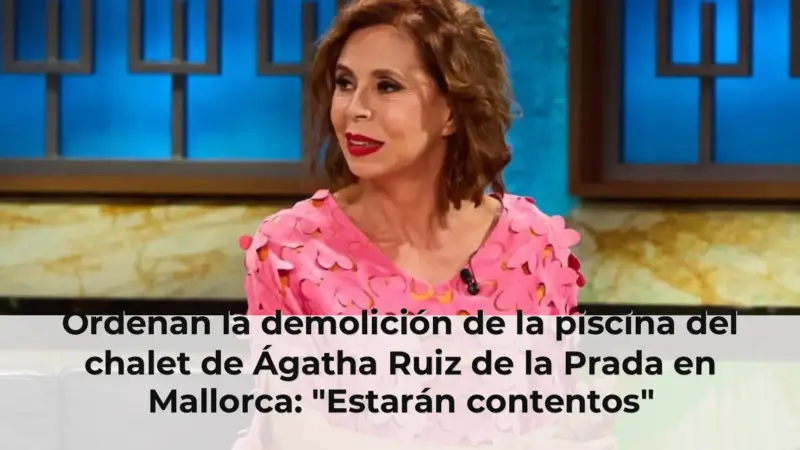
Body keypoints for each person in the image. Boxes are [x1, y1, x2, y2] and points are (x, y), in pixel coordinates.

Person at [239, 0, 585, 318]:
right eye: (345, 83)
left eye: (387, 86)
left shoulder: (534, 246)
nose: (355, 109)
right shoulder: (290, 251)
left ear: (451, 111)